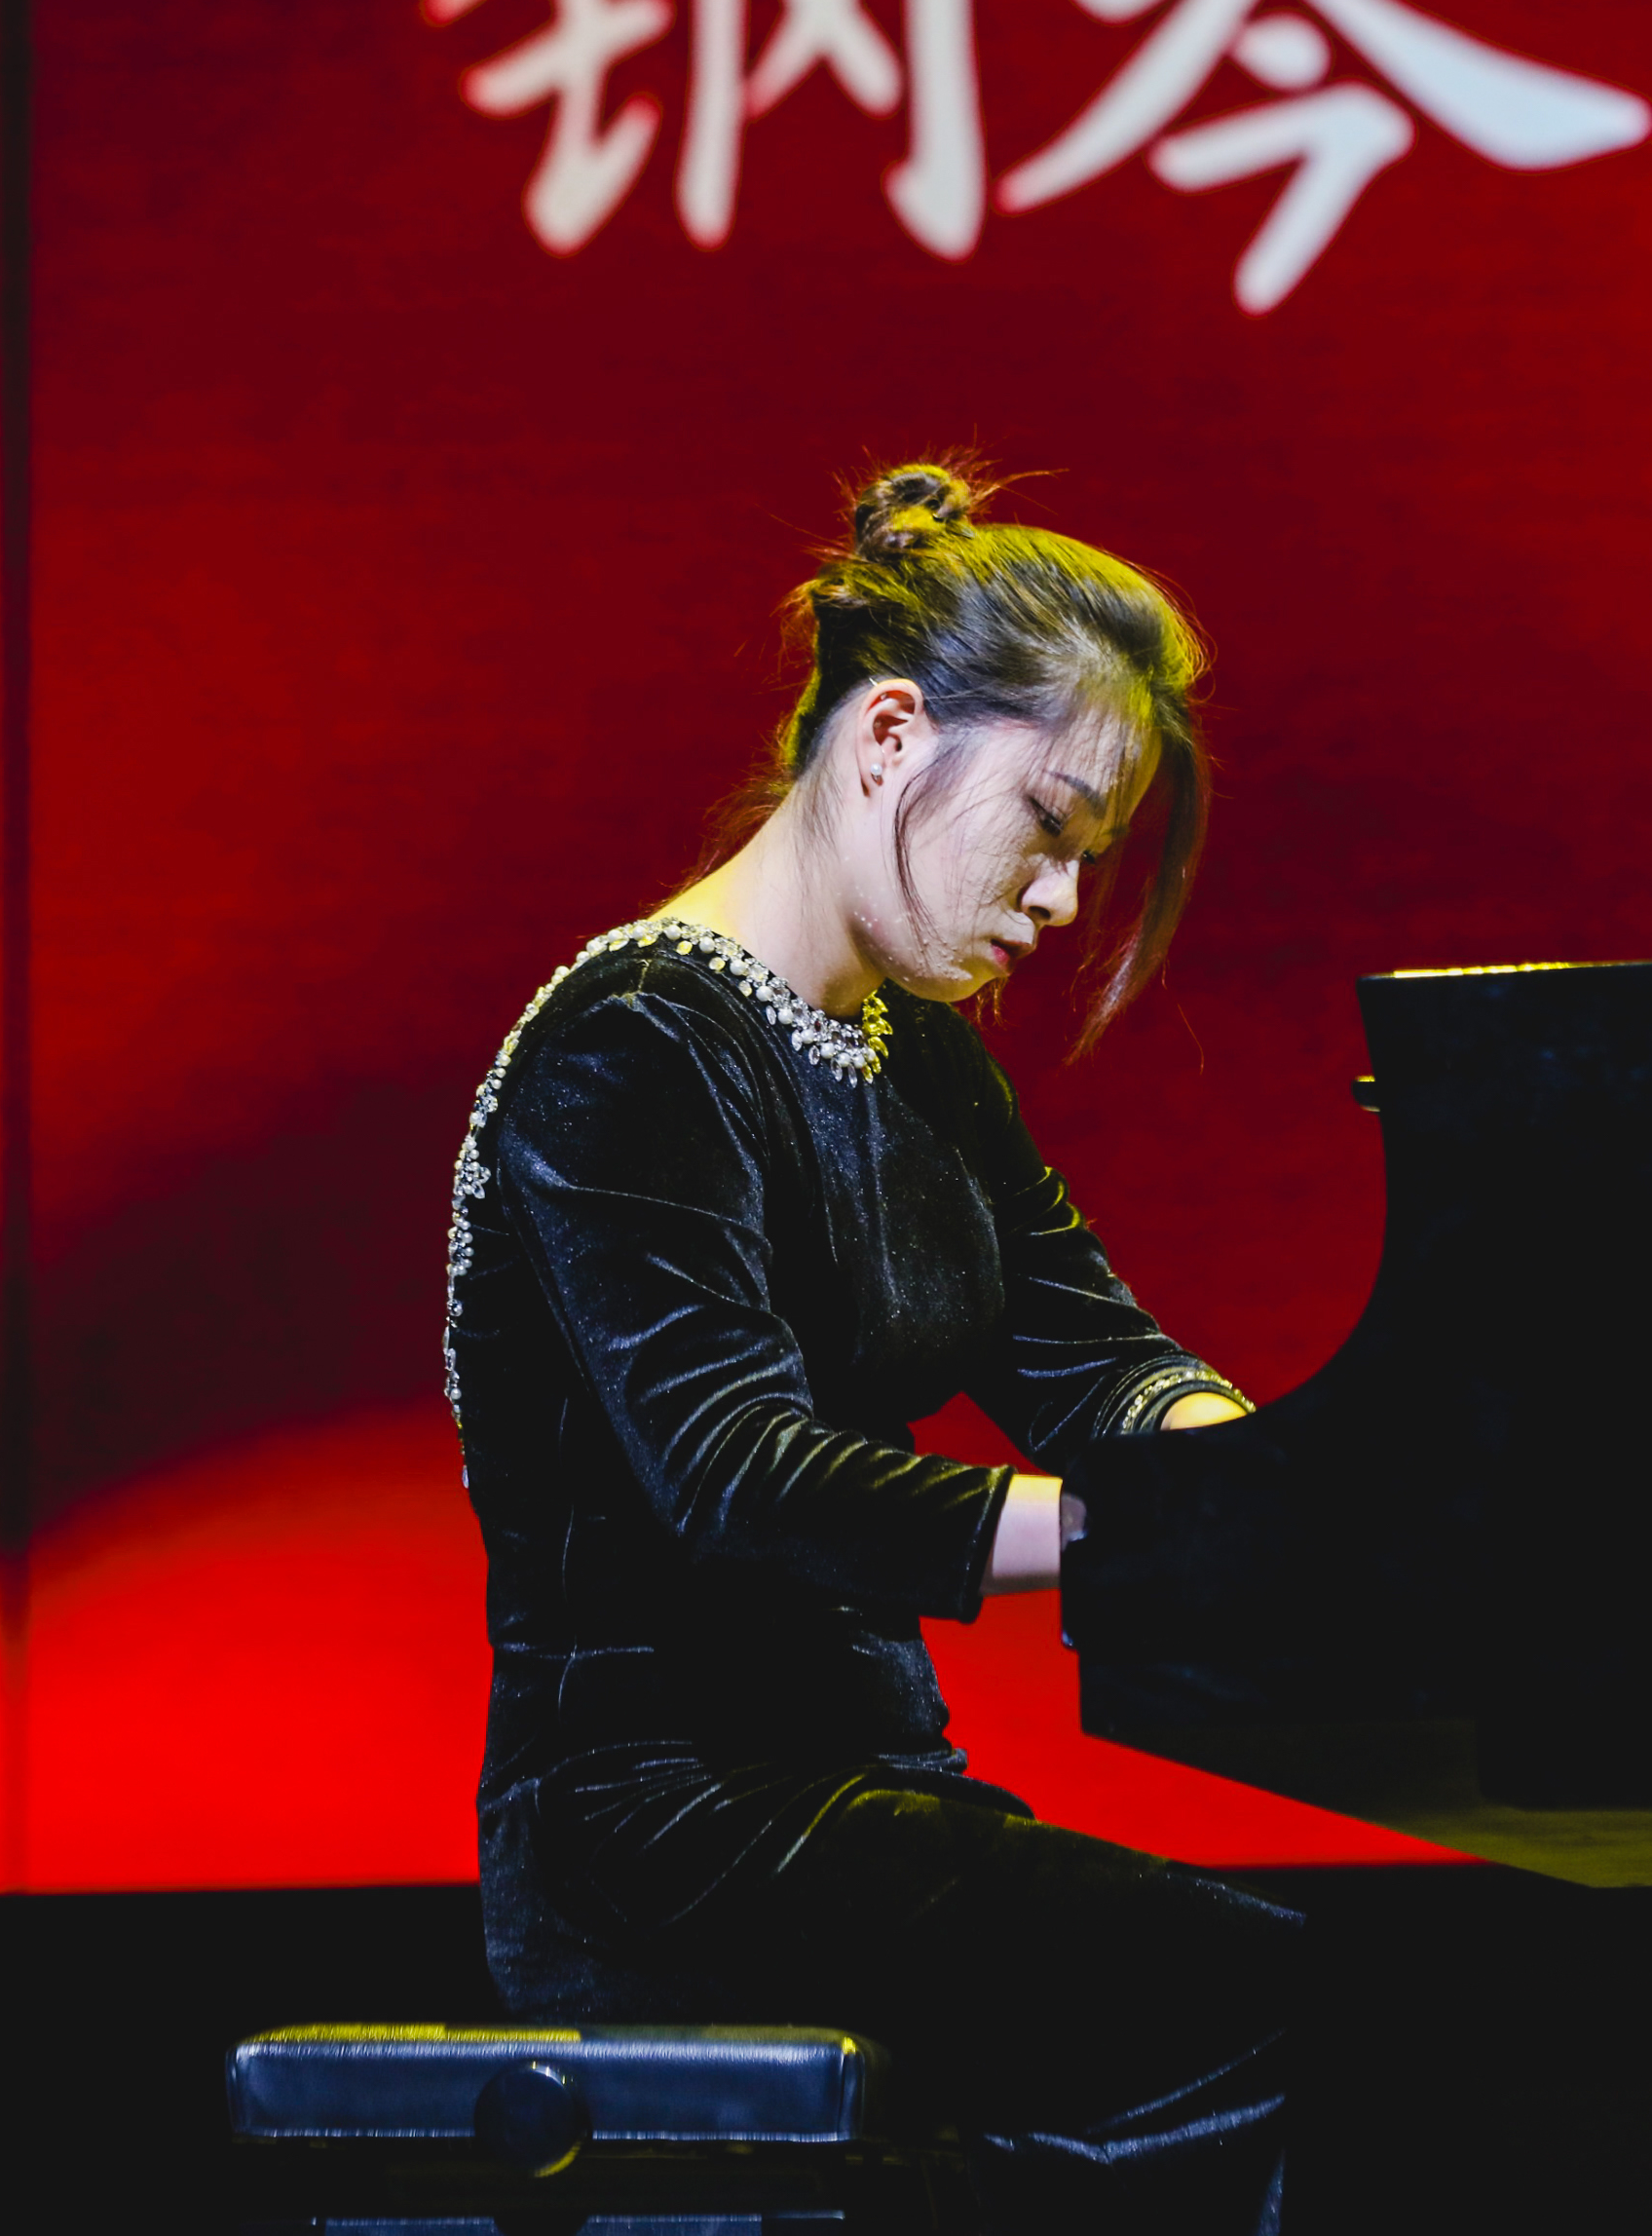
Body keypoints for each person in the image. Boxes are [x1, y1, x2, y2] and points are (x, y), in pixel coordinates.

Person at [443, 463, 1298, 2233]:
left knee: (1278, 1992)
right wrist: (1134, 1530)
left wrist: (1276, 1480)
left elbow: (1095, 1361)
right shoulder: (630, 1041)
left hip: (857, 1789)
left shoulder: (920, 1056)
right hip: (657, 1818)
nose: (1058, 904)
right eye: (1050, 826)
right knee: (1263, 1998)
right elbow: (733, 1473)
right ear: (891, 734)